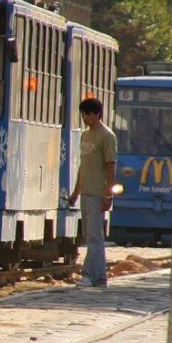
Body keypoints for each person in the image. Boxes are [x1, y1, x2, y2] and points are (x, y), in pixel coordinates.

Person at [68, 98, 117, 288]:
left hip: (98, 193)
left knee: (94, 237)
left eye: (88, 114)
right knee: (90, 236)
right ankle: (100, 277)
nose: (85, 118)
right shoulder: (85, 136)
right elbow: (83, 167)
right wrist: (75, 192)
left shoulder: (107, 136)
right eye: (83, 114)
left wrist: (108, 194)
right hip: (86, 192)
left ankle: (88, 274)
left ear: (98, 114)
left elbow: (110, 166)